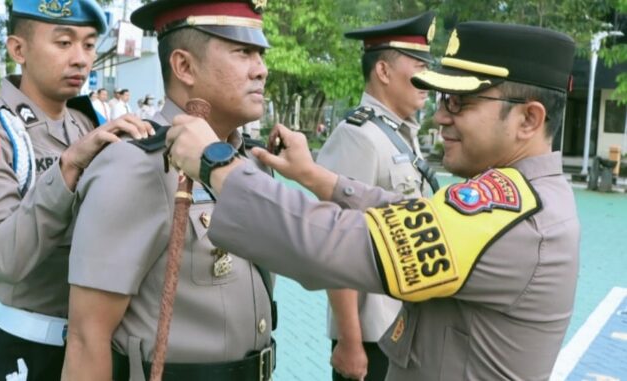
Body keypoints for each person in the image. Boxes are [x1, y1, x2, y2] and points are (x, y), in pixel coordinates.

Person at [166, 21, 580, 380]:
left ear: (529, 119)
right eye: (441, 101)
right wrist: (317, 177)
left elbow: (338, 245)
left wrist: (216, 163)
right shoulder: (519, 198)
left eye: (460, 103)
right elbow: (408, 216)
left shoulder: (511, 215)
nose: (440, 117)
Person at [61, 1, 276, 380]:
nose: (261, 69)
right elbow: (87, 337)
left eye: (259, 54)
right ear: (184, 67)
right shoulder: (136, 166)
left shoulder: (248, 163)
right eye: (243, 52)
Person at [0, 1, 153, 379]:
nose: (80, 59)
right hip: (29, 354)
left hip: (102, 348)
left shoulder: (84, 123)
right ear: (18, 50)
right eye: (63, 43)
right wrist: (67, 168)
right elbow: (4, 257)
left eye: (89, 45)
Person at [318, 12, 437, 381]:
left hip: (404, 325)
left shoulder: (400, 132)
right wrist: (350, 342)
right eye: (418, 67)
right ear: (383, 72)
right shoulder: (358, 135)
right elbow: (337, 247)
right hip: (372, 339)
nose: (427, 78)